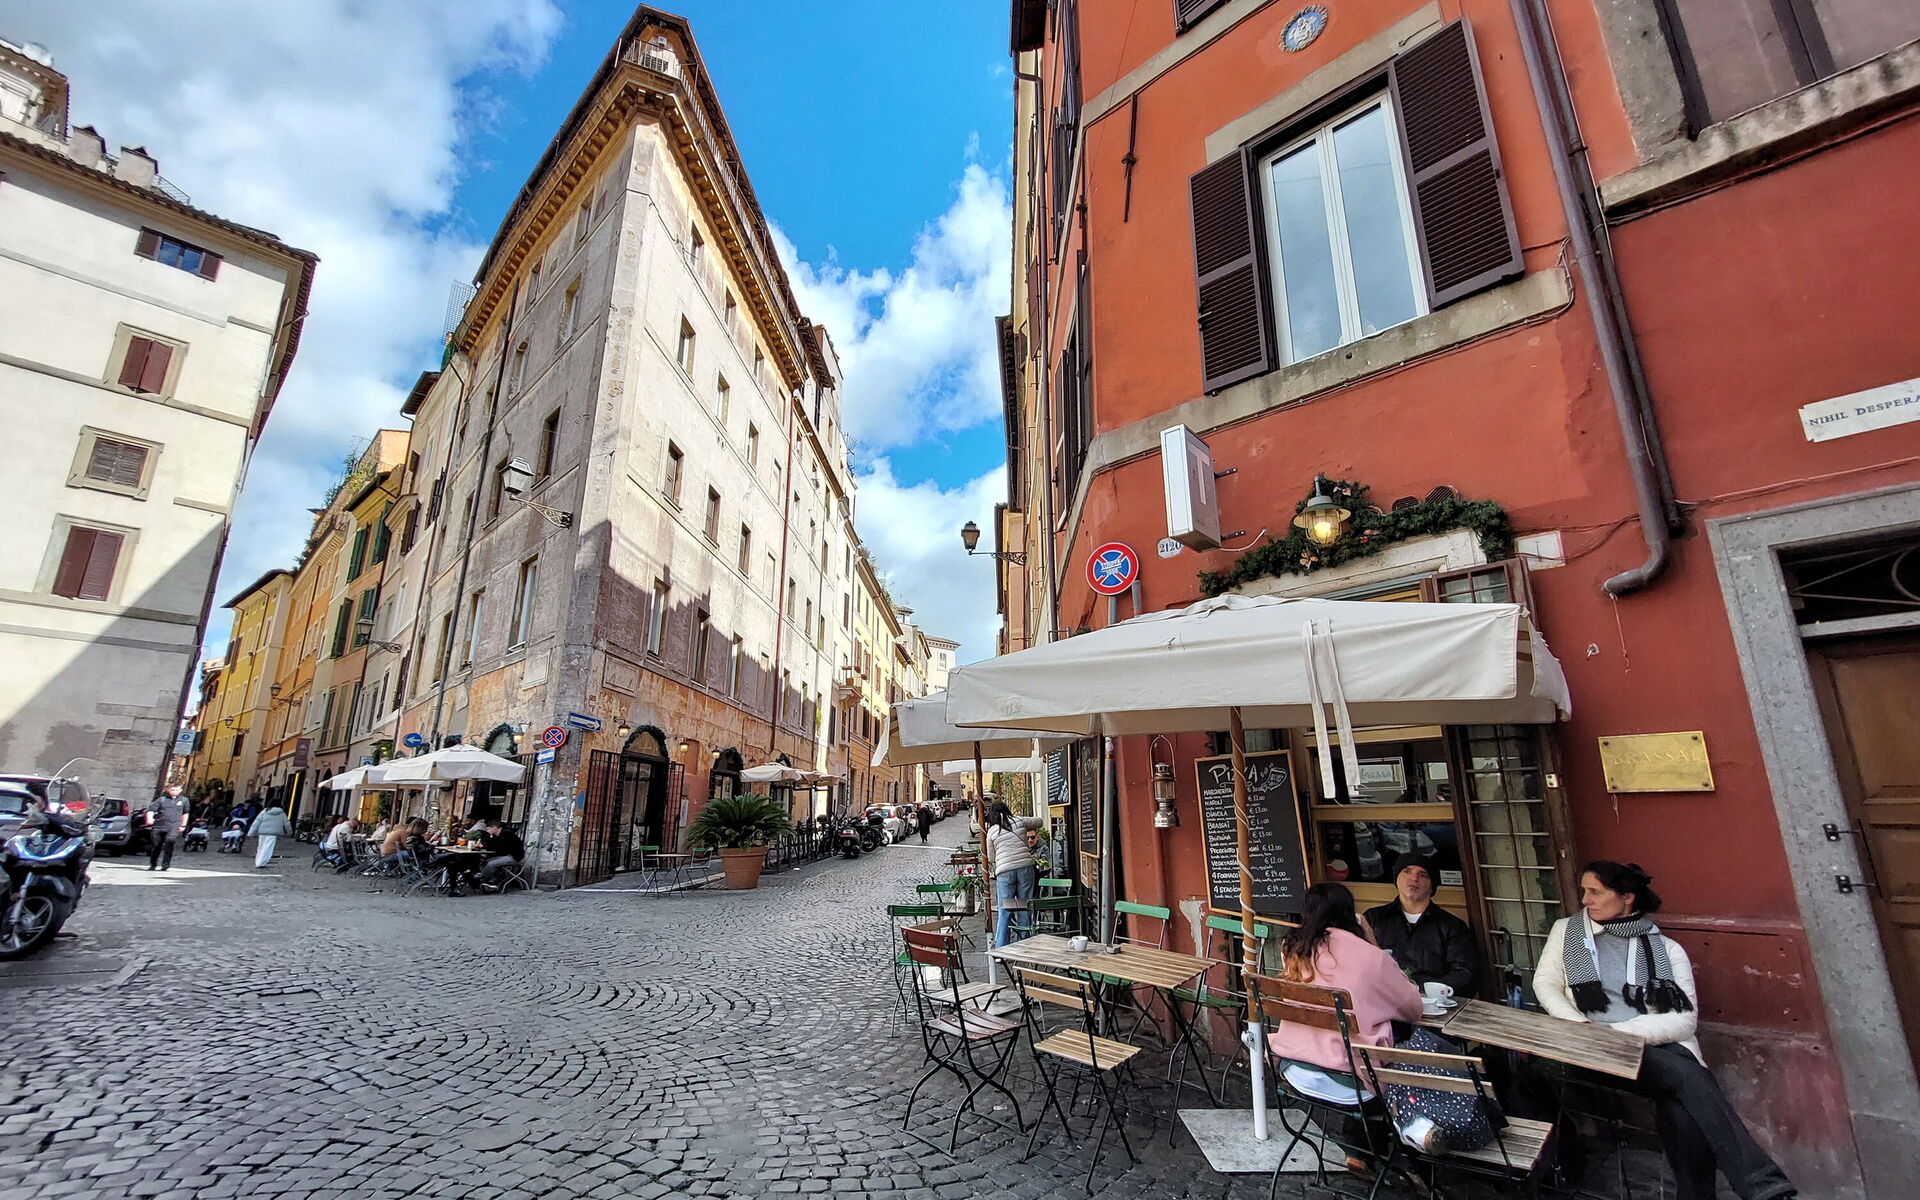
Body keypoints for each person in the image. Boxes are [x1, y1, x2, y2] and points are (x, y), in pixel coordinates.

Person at [1535, 862, 1796, 1200]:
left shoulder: (1667, 950)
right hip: (1593, 1048)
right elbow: (1546, 985)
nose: (1585, 900)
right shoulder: (1566, 932)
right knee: (1688, 1077)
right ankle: (1762, 1184)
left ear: (1627, 897)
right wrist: (1582, 1027)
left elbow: (1684, 1020)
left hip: (1652, 1047)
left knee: (1681, 1104)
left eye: (1595, 892)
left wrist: (1620, 1031)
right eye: (1584, 891)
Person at [1270, 882, 1498, 1156]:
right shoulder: (1369, 956)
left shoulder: (1293, 949)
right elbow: (1413, 1008)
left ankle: (1369, 1147)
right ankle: (1414, 1123)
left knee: (1390, 1053)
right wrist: (1372, 942)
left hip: (1296, 1072)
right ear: (1351, 914)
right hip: (1351, 1082)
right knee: (1418, 1050)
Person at [1364, 863, 1480, 996]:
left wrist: (1425, 989)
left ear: (1432, 887)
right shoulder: (1373, 918)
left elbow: (1465, 974)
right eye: (1407, 872)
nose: (1414, 878)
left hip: (1433, 1000)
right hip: (1383, 998)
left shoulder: (1452, 926)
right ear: (1396, 880)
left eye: (1423, 875)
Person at [982, 798, 1043, 948]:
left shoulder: (992, 831)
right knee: (1025, 905)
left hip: (1004, 870)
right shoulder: (1019, 821)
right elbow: (1039, 822)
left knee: (1005, 908)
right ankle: (1024, 944)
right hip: (1025, 867)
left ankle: (1002, 947)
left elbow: (991, 857)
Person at [144, 784, 188, 872]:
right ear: (168, 790)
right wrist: (150, 818)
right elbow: (151, 810)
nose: (174, 792)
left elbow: (185, 813)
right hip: (159, 826)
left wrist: (183, 825)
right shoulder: (161, 799)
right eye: (172, 790)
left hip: (173, 826)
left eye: (176, 790)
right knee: (156, 846)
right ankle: (153, 864)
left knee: (169, 844)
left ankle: (165, 865)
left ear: (180, 790)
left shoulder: (184, 800)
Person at [477, 819, 525, 890]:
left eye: (488, 829)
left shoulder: (507, 834)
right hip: (505, 855)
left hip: (514, 856)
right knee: (485, 862)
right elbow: (495, 848)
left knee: (491, 864)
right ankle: (491, 879)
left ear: (495, 827)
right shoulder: (496, 835)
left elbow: (501, 848)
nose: (487, 831)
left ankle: (483, 881)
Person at [247, 803, 293, 868]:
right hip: (273, 833)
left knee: (260, 847)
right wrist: (289, 832)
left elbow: (256, 822)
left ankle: (258, 861)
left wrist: (251, 832)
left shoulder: (264, 812)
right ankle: (261, 862)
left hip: (262, 831)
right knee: (268, 847)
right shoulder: (282, 813)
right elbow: (287, 824)